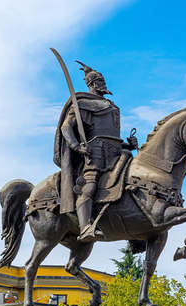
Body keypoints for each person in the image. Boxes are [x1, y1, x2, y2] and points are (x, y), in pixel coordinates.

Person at [54, 62, 139, 242]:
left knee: (134, 182)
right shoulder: (83, 104)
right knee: (90, 186)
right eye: (99, 81)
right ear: (92, 84)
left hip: (117, 153)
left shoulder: (113, 106)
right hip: (95, 154)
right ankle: (85, 226)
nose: (103, 83)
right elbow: (66, 127)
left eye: (103, 80)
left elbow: (110, 136)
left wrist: (128, 144)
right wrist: (76, 146)